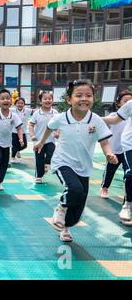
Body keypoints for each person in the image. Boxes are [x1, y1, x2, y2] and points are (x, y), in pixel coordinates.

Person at [34, 80, 117, 242]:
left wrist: (109, 153)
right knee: (74, 189)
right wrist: (41, 142)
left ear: (93, 98)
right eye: (79, 95)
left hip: (84, 167)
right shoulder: (61, 117)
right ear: (69, 100)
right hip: (63, 162)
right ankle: (61, 207)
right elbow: (50, 127)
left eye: (88, 95)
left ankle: (66, 227)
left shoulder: (96, 120)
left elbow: (105, 142)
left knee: (78, 209)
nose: (84, 99)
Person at [102, 92, 132, 222]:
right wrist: (92, 118)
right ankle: (128, 205)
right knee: (129, 174)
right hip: (127, 145)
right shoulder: (130, 106)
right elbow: (114, 120)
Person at [28, 91, 59, 184]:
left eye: (50, 99)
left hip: (50, 141)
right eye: (45, 99)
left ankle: (47, 164)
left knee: (51, 154)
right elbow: (31, 125)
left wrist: (57, 132)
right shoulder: (37, 113)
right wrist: (32, 135)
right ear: (41, 101)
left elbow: (59, 125)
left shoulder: (55, 113)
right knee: (39, 159)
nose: (47, 100)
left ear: (52, 100)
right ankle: (38, 176)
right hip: (38, 142)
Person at [10, 97, 33, 163]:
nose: (20, 104)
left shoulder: (27, 110)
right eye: (18, 103)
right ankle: (12, 157)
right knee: (15, 145)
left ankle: (17, 151)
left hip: (23, 131)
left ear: (24, 104)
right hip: (14, 131)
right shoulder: (12, 110)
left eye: (22, 103)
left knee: (24, 145)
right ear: (15, 104)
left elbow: (34, 110)